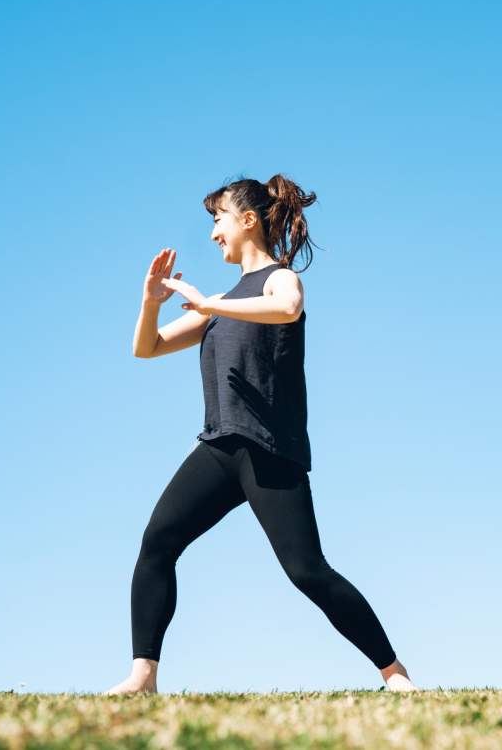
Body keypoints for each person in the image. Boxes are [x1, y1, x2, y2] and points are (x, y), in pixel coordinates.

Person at [105, 174, 417, 694]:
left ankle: (394, 673)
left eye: (218, 220)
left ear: (248, 220)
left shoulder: (279, 279)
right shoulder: (220, 303)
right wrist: (151, 301)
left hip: (270, 451)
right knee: (157, 543)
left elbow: (287, 308)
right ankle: (143, 676)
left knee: (307, 571)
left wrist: (209, 307)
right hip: (219, 447)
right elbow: (148, 348)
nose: (212, 234)